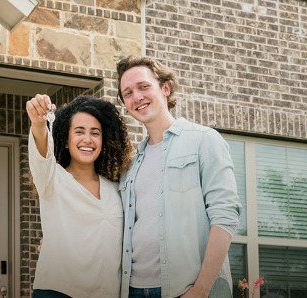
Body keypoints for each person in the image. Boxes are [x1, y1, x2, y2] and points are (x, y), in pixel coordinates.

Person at [116, 55, 242, 298]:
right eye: (128, 93)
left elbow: (225, 215)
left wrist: (201, 289)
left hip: (188, 290)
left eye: (144, 87)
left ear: (165, 88)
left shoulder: (204, 140)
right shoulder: (129, 164)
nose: (137, 97)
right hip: (133, 290)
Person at [26, 94, 133, 298]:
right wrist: (39, 123)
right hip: (57, 291)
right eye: (79, 132)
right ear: (66, 140)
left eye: (95, 133)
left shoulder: (116, 190)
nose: (87, 139)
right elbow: (41, 151)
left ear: (104, 141)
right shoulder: (52, 179)